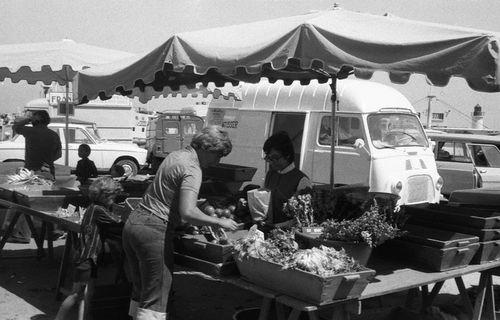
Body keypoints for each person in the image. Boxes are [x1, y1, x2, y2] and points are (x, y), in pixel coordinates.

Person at [123, 125, 238, 320]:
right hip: (153, 229)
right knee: (156, 300)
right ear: (206, 148)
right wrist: (219, 222)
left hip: (134, 223)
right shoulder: (193, 168)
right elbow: (188, 212)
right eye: (217, 155)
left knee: (141, 290)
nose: (217, 161)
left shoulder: (175, 155)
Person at [54, 177, 124, 320]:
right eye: (113, 197)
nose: (114, 200)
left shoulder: (92, 207)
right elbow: (116, 221)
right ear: (106, 196)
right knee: (76, 294)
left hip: (87, 257)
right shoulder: (98, 210)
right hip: (87, 257)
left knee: (88, 293)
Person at [7, 110, 62, 243]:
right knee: (47, 204)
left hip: (32, 174)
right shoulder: (54, 135)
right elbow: (58, 155)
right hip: (48, 174)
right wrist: (46, 160)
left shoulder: (30, 131)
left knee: (23, 203)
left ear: (35, 121)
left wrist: (28, 119)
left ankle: (22, 234)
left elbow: (16, 127)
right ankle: (52, 230)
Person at [262, 131, 312, 226]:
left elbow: (304, 218)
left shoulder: (302, 180)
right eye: (269, 158)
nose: (271, 162)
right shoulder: (270, 174)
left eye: (275, 158)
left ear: (287, 155)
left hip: (288, 235)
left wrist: (277, 226)